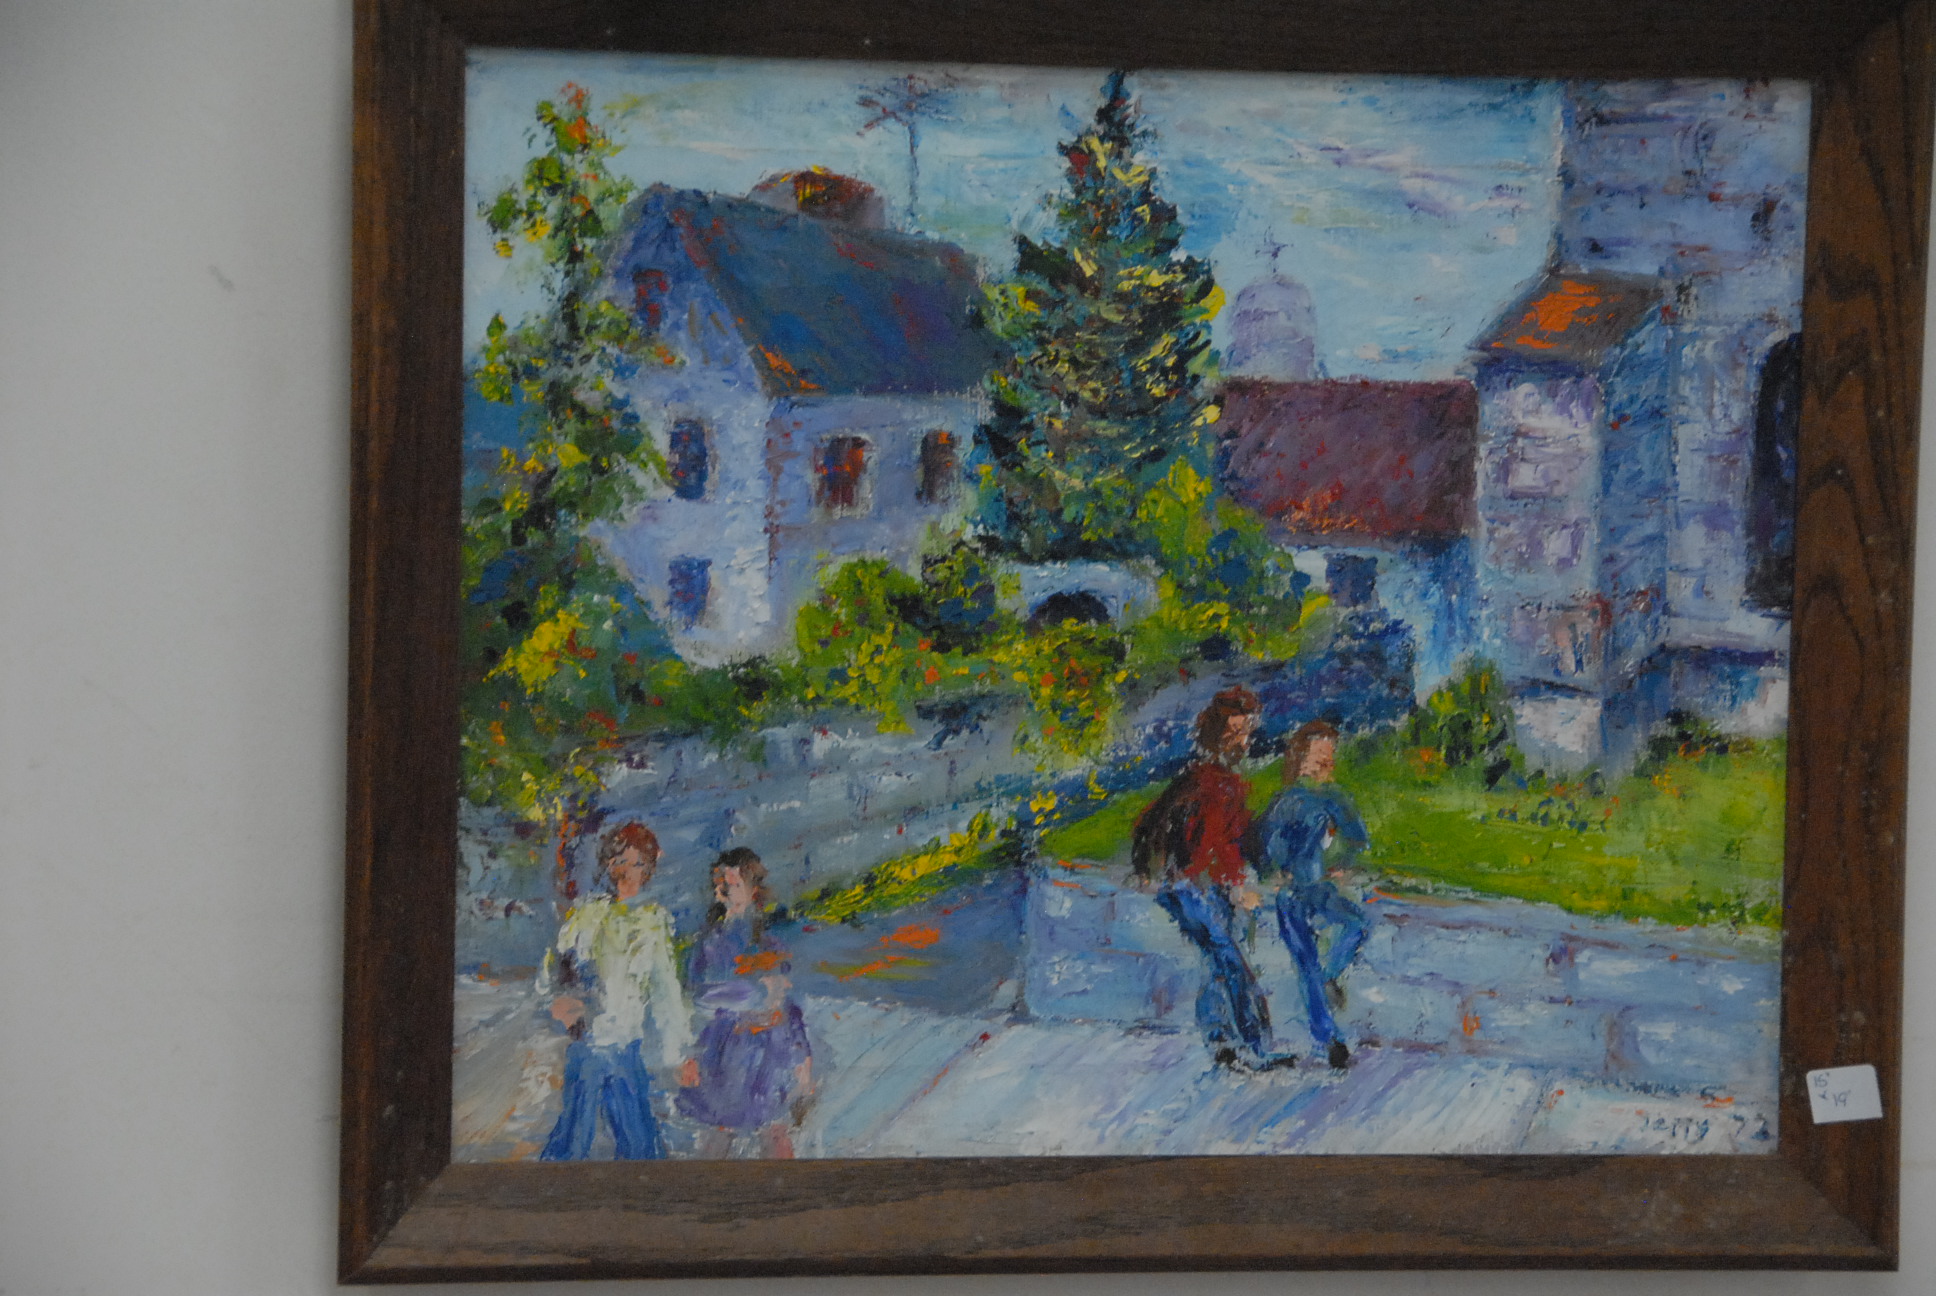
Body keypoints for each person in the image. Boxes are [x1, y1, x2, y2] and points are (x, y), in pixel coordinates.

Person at [1131, 686, 1293, 1071]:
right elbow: (1158, 825)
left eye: (1246, 733)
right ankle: (1256, 1046)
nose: (1243, 742)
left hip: (1215, 888)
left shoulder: (1229, 784)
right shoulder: (1202, 782)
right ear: (1214, 735)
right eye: (1234, 734)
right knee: (1231, 964)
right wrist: (1144, 870)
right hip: (1191, 888)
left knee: (1218, 966)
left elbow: (1240, 838)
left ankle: (1221, 1042)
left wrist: (1264, 873)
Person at [536, 821, 693, 1161]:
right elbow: (555, 967)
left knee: (639, 1143)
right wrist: (560, 1002)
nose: (627, 871)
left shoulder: (654, 920)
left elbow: (666, 992)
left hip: (626, 1046)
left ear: (648, 868)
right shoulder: (588, 912)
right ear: (608, 864)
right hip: (587, 1042)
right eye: (620, 861)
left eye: (637, 863)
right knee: (572, 1139)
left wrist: (678, 1054)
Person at [676, 848, 814, 1158]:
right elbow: (693, 1004)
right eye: (721, 885)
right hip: (722, 1050)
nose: (724, 891)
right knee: (719, 1132)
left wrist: (802, 1060)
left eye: (733, 884)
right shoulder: (707, 945)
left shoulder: (770, 944)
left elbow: (787, 1008)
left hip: (767, 1051)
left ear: (753, 890)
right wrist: (688, 1056)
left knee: (773, 1131)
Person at [1250, 719, 1371, 1071]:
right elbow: (1261, 843)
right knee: (1305, 965)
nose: (1325, 760)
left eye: (1329, 753)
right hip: (1290, 895)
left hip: (1318, 887)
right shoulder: (1284, 801)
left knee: (1357, 924)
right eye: (1318, 753)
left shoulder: (1334, 797)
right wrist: (1270, 872)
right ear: (1300, 758)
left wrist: (1342, 864)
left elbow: (1358, 837)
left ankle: (1330, 974)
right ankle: (1329, 1040)